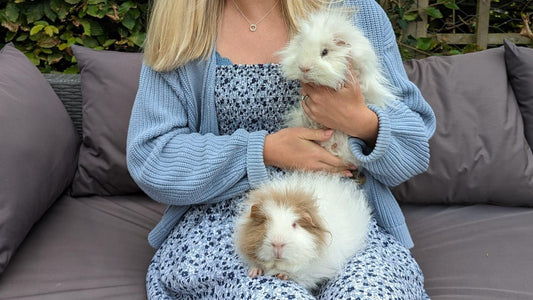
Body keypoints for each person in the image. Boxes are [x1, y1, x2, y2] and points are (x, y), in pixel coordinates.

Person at [126, 0, 436, 298]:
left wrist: (361, 121)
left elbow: (413, 152)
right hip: (233, 228)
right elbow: (152, 158)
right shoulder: (184, 24)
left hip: (342, 221)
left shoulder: (354, 11)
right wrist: (263, 151)